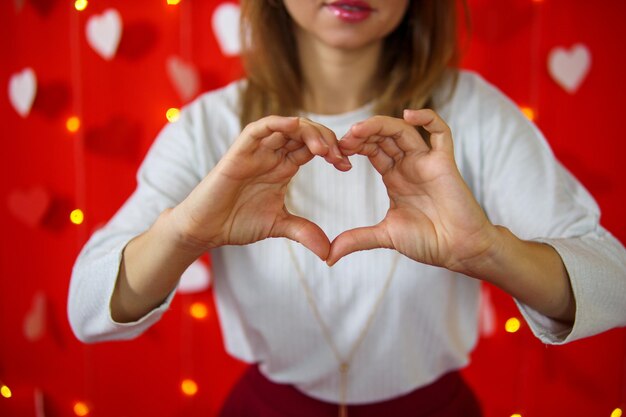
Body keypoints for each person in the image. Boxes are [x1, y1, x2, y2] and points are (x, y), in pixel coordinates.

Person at [68, 1, 626, 416]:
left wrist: (488, 251)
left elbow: (614, 281)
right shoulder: (210, 127)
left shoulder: (472, 115)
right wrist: (184, 234)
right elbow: (88, 308)